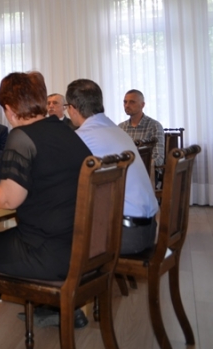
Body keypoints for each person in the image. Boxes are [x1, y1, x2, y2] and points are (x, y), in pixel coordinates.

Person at [0, 72, 92, 349]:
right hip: (80, 247)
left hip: (47, 252)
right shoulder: (64, 130)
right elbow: (38, 183)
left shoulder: (21, 136)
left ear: (9, 109)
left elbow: (9, 199)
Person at [66, 79, 159, 254]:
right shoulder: (117, 130)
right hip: (148, 228)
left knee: (52, 235)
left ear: (72, 108)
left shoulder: (82, 137)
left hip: (123, 235)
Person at [119, 89, 165, 167]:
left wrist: (137, 166)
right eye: (125, 102)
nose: (127, 105)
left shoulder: (154, 126)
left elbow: (158, 159)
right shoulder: (121, 127)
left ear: (142, 105)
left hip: (147, 171)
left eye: (132, 102)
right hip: (125, 170)